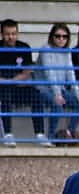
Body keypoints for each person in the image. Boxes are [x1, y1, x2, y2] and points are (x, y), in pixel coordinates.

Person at [35, 23, 79, 145]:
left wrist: (78, 93)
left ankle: (69, 132)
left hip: (60, 88)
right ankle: (51, 136)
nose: (61, 39)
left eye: (64, 36)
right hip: (44, 88)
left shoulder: (67, 52)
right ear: (52, 37)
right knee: (57, 105)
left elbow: (70, 74)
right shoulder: (46, 50)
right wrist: (57, 95)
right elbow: (50, 74)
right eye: (57, 36)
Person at [0, 18, 49, 147]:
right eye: (7, 34)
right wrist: (8, 82)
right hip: (3, 88)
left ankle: (40, 134)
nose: (11, 37)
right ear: (2, 34)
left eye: (13, 34)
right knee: (4, 94)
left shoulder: (24, 47)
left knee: (36, 95)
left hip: (19, 86)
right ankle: (8, 134)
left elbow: (27, 72)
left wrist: (11, 81)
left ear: (17, 33)